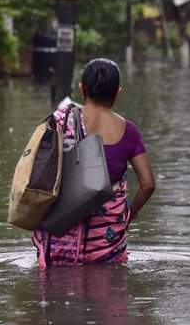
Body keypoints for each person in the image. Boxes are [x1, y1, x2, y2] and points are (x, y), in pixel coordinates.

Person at [32, 58, 156, 268]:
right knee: (108, 294)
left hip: (59, 235)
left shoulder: (60, 119)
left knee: (54, 294)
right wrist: (128, 216)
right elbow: (148, 184)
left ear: (82, 88)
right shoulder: (129, 131)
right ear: (117, 93)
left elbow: (38, 169)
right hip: (106, 242)